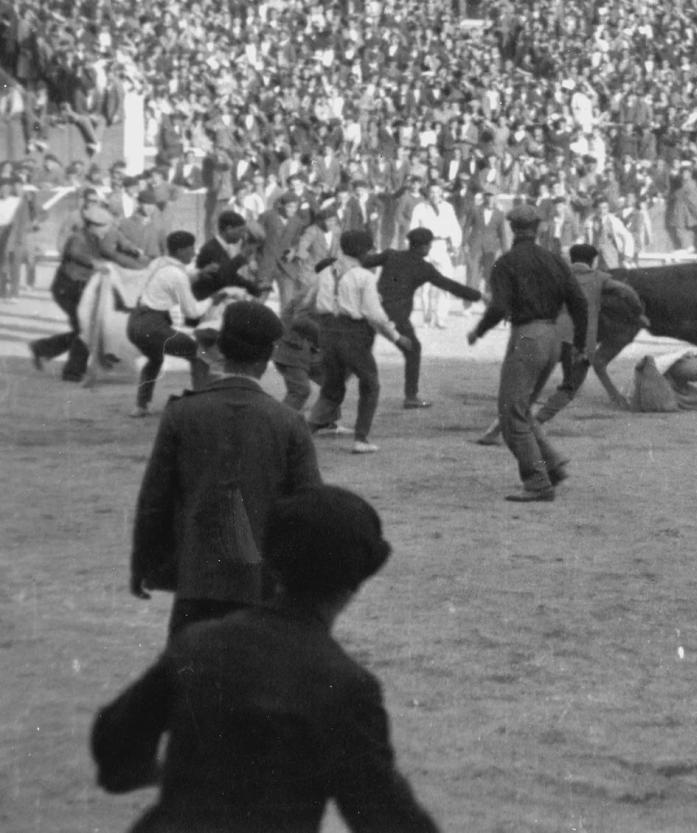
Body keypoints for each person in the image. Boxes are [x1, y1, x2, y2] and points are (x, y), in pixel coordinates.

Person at [93, 485, 441, 833]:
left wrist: (172, 778)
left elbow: (115, 744)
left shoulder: (198, 643)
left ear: (274, 565)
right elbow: (384, 815)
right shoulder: (346, 686)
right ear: (355, 583)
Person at [129, 301, 322, 636]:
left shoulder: (182, 413)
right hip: (261, 586)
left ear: (221, 348)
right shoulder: (289, 423)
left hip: (197, 580)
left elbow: (154, 502)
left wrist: (143, 564)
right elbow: (309, 508)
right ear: (267, 358)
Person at [468, 204, 588, 502]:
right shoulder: (555, 260)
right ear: (539, 228)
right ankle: (552, 466)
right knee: (522, 407)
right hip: (554, 336)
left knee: (511, 412)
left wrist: (479, 331)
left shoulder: (506, 263)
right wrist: (581, 345)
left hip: (526, 336)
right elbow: (579, 303)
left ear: (511, 228)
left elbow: (498, 307)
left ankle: (537, 481)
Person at [476, 243, 646, 444]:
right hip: (580, 342)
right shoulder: (600, 279)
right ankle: (537, 421)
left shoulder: (555, 275)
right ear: (592, 261)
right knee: (568, 388)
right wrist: (638, 313)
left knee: (528, 387)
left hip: (549, 334)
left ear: (571, 259)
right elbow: (626, 291)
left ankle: (494, 430)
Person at [304, 230, 413, 453]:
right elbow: (375, 315)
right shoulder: (364, 277)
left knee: (332, 387)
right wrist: (397, 337)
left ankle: (303, 433)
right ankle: (361, 438)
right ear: (363, 251)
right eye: (369, 249)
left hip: (326, 332)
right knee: (370, 383)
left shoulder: (325, 271)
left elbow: (309, 302)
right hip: (353, 334)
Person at [363, 227, 483, 409]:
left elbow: (364, 261)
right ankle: (411, 397)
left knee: (359, 351)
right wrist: (479, 296)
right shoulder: (424, 268)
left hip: (374, 309)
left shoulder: (390, 255)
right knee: (413, 350)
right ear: (425, 246)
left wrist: (332, 262)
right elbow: (451, 286)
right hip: (397, 316)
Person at [29, 204, 146, 381]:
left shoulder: (99, 236)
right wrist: (94, 264)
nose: (107, 231)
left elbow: (120, 243)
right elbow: (75, 253)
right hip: (68, 288)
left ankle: (44, 349)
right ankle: (72, 371)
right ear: (94, 226)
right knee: (86, 329)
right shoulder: (78, 238)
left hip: (81, 287)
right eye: (105, 228)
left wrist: (135, 254)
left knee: (86, 328)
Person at [126, 232, 214, 418]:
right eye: (191, 248)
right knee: (198, 353)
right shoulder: (176, 275)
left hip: (134, 323)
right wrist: (215, 298)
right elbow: (192, 311)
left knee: (155, 358)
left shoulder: (158, 263)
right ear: (181, 250)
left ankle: (141, 405)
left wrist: (199, 273)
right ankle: (202, 405)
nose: (194, 253)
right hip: (153, 325)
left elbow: (174, 277)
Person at [408, 181, 463, 328]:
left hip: (441, 246)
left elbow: (455, 228)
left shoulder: (448, 208)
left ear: (441, 193)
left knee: (446, 282)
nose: (434, 195)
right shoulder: (420, 208)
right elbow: (413, 228)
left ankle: (441, 318)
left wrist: (456, 244)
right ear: (428, 193)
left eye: (437, 192)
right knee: (425, 286)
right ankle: (427, 317)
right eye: (431, 192)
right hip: (424, 248)